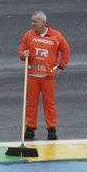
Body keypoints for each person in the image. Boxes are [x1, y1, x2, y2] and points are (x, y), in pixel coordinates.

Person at [18, 10, 70, 141]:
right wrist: (23, 55)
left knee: (49, 103)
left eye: (35, 21)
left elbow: (66, 51)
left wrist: (61, 66)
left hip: (48, 76)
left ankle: (51, 129)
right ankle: (30, 128)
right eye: (32, 21)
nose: (32, 24)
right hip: (32, 74)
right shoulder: (28, 35)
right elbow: (21, 50)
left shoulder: (56, 36)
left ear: (43, 22)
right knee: (31, 102)